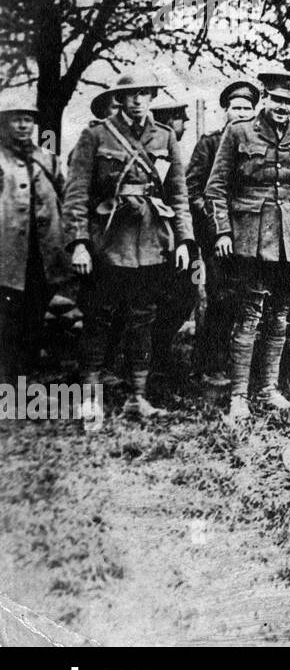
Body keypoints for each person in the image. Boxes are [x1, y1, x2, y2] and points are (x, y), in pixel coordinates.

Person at [64, 73, 194, 420]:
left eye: (144, 94)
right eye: (130, 94)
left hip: (152, 243)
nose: (137, 100)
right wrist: (79, 243)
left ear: (151, 97)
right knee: (98, 317)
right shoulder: (95, 136)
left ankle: (138, 396)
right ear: (120, 97)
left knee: (143, 319)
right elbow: (76, 194)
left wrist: (184, 240)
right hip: (108, 241)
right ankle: (89, 397)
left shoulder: (165, 137)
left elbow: (178, 195)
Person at [205, 69, 290, 421]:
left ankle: (268, 389)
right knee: (248, 314)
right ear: (266, 98)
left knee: (280, 314)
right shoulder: (239, 132)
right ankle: (238, 396)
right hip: (250, 237)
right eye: (278, 101)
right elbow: (216, 188)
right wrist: (223, 232)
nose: (284, 108)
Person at [186, 79, 259, 385]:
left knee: (247, 297)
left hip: (250, 231)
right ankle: (210, 366)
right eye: (236, 108)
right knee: (220, 297)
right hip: (217, 235)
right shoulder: (209, 142)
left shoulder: (257, 142)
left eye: (247, 108)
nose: (241, 113)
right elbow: (193, 190)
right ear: (225, 110)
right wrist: (217, 225)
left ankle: (241, 365)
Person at [0, 96, 64, 386]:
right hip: (7, 256)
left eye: (28, 119)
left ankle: (22, 385)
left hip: (41, 254)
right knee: (6, 320)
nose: (24, 125)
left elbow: (65, 197)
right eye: (17, 118)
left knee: (33, 318)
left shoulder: (47, 158)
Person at [147, 95, 196, 383]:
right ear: (166, 120)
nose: (186, 124)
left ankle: (160, 358)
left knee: (183, 296)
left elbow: (180, 198)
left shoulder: (173, 152)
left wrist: (185, 242)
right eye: (181, 118)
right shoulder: (149, 152)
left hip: (175, 243)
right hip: (150, 242)